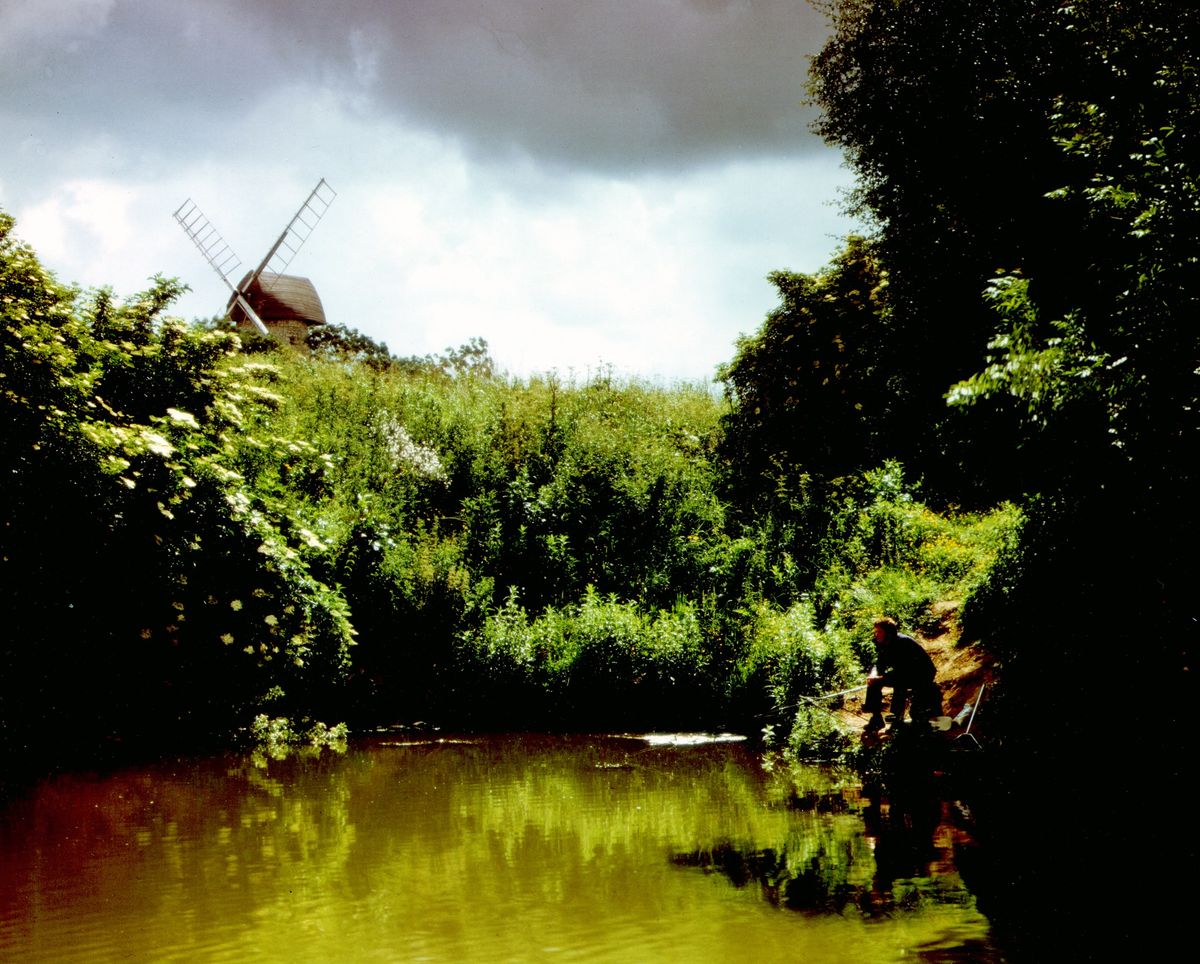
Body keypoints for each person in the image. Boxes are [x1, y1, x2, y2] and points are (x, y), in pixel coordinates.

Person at [863, 617, 940, 733]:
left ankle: (897, 720)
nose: (876, 635)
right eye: (875, 632)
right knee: (873, 682)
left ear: (888, 632)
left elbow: (904, 672)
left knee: (899, 685)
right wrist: (873, 676)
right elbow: (879, 664)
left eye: (879, 632)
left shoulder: (903, 643)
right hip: (905, 673)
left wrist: (882, 678)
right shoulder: (884, 643)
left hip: (922, 674)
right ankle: (876, 718)